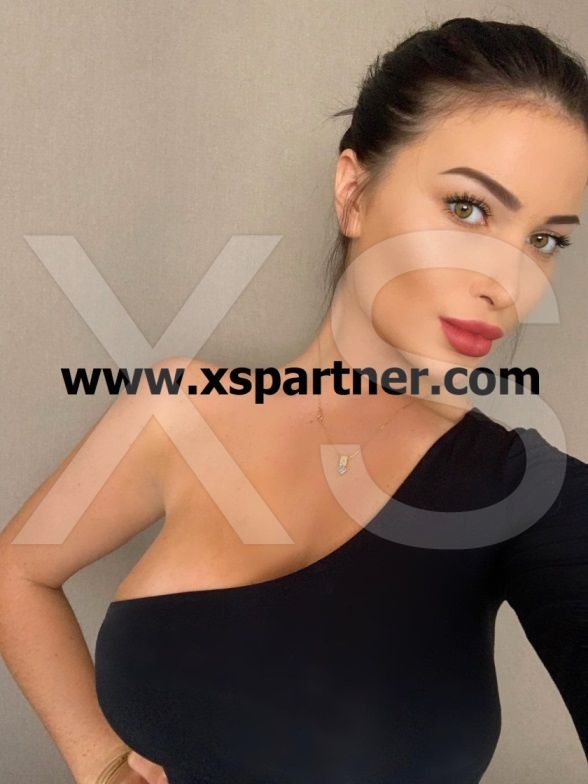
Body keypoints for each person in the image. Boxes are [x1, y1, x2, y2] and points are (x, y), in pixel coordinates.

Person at [1, 15, 588, 784]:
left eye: (545, 239)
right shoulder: (179, 411)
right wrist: (98, 759)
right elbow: (16, 571)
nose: (506, 283)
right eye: (468, 208)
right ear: (354, 191)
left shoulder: (528, 493)